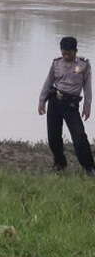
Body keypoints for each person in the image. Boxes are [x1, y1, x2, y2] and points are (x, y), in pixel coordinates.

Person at [38, 36, 95, 175]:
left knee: (79, 136)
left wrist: (87, 107)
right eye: (63, 53)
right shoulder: (56, 63)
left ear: (75, 51)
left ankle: (89, 167)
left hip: (71, 104)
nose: (65, 55)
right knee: (53, 137)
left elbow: (87, 87)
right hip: (55, 101)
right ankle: (60, 163)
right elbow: (48, 82)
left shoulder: (84, 65)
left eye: (68, 53)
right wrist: (41, 101)